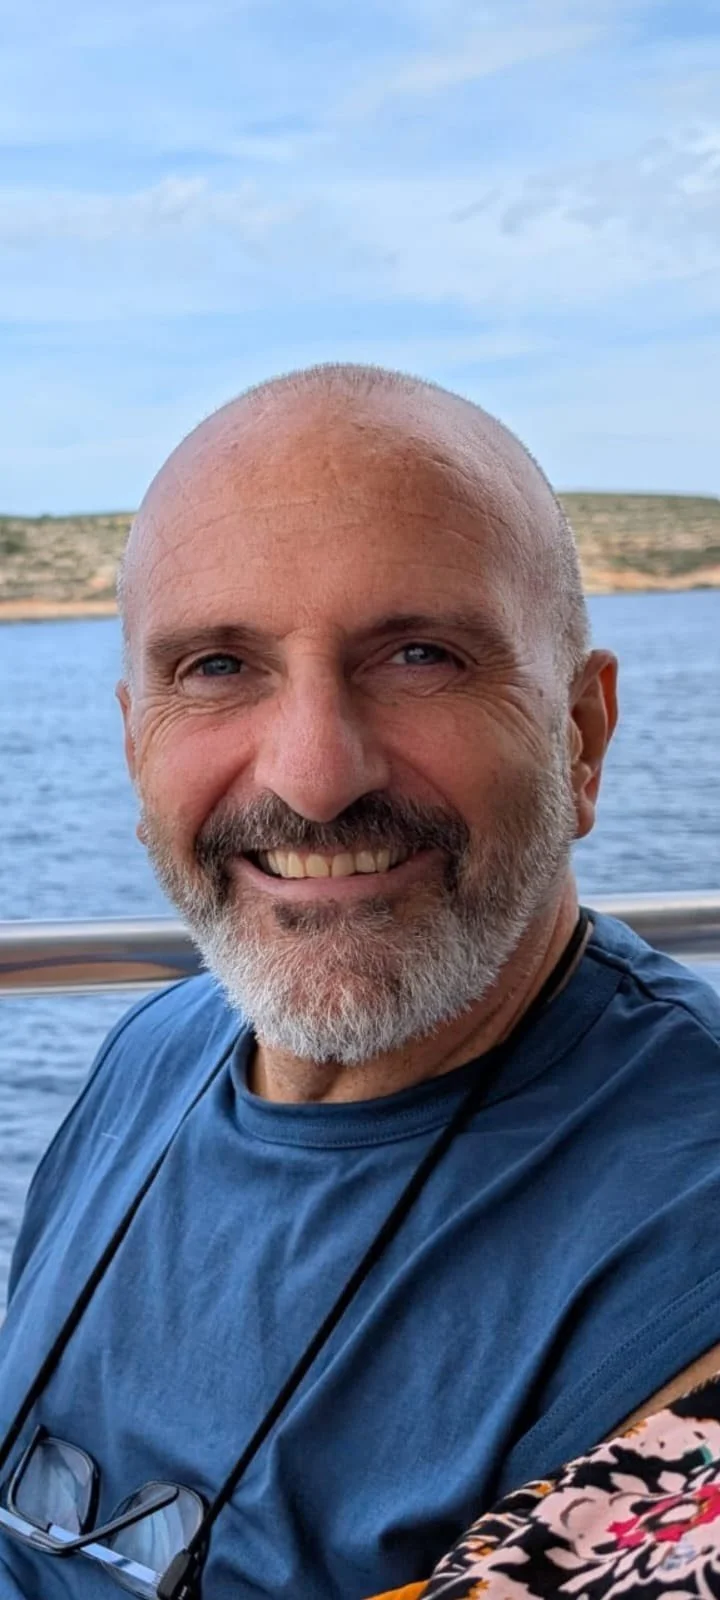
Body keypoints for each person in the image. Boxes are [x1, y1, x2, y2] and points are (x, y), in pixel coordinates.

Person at [0, 363, 719, 1600]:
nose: (316, 775)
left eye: (421, 654)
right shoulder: (158, 1046)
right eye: (219, 667)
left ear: (581, 738)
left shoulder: (682, 1236)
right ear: (135, 745)